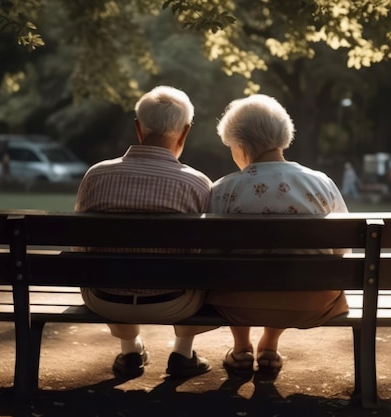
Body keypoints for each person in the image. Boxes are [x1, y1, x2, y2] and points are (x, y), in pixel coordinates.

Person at [74, 85, 215, 379]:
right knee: (205, 268)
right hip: (174, 302)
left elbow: (81, 246)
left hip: (105, 298)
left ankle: (130, 352)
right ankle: (183, 353)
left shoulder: (96, 175)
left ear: (138, 128)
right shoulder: (198, 184)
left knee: (105, 265)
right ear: (185, 133)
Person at [206, 94, 350, 378]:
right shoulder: (321, 183)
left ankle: (241, 348)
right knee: (293, 268)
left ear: (240, 145)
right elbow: (342, 249)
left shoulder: (224, 189)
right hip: (312, 303)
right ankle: (269, 346)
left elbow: (210, 255)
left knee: (232, 270)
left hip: (236, 304)